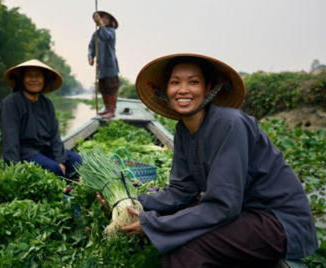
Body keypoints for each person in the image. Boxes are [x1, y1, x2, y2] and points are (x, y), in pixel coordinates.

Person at [98, 53, 318, 267]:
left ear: (208, 89)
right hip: (242, 212)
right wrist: (131, 201)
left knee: (185, 248)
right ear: (166, 90)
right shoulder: (183, 130)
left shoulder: (230, 124)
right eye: (175, 82)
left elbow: (223, 205)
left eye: (193, 82)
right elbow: (180, 191)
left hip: (278, 221)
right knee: (175, 228)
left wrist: (154, 224)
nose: (183, 90)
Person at [0, 59, 82, 180]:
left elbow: (55, 137)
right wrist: (14, 171)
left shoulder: (47, 104)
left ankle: (68, 184)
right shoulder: (11, 103)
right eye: (29, 76)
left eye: (38, 76)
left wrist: (60, 160)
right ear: (22, 79)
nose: (34, 80)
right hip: (25, 153)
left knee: (78, 161)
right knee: (55, 170)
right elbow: (9, 141)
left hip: (46, 149)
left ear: (44, 80)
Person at [88, 10, 120, 119]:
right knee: (103, 88)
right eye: (101, 18)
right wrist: (90, 57)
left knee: (111, 88)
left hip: (110, 66)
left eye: (106, 18)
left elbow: (106, 37)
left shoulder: (111, 31)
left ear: (111, 21)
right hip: (100, 67)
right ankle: (107, 108)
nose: (103, 20)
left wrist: (101, 25)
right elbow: (91, 46)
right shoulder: (96, 34)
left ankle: (112, 110)